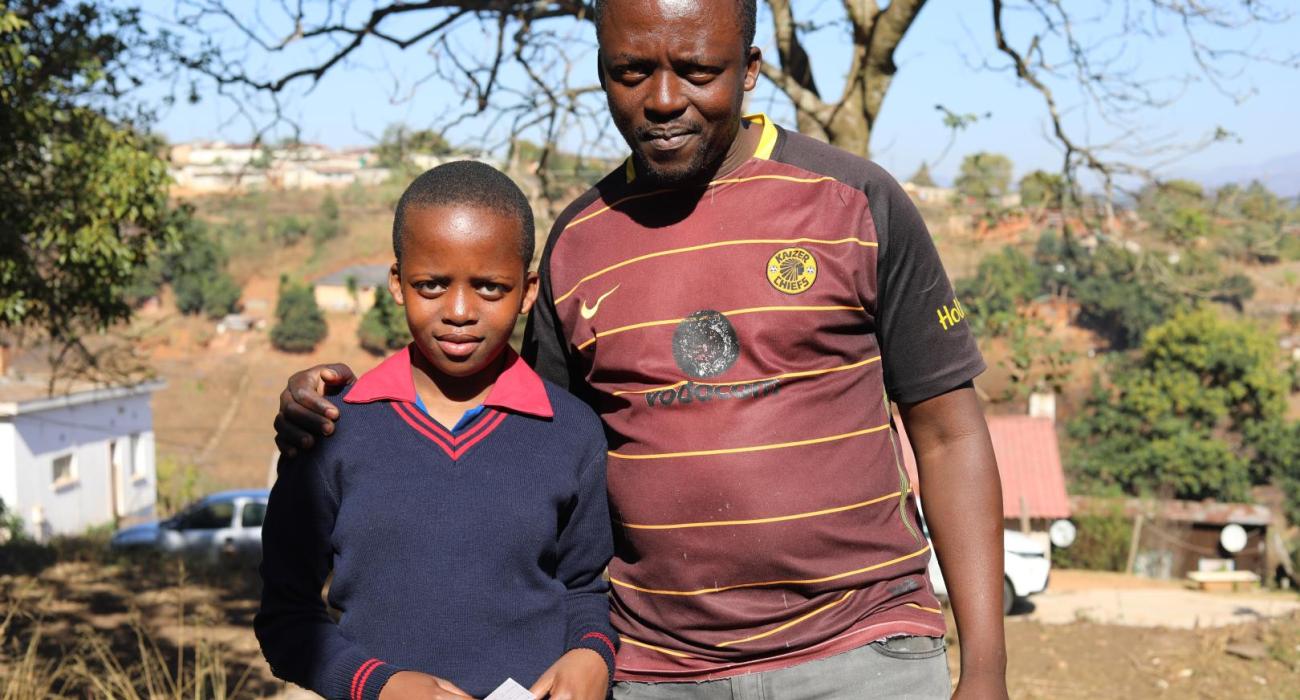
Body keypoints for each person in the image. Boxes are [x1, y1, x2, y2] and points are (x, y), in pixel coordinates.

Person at [274, 0, 1009, 697]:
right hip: (655, 672)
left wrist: (986, 667)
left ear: (749, 68)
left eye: (697, 71)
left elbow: (947, 435)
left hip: (860, 655)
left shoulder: (855, 203)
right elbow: (519, 435)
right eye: (630, 72)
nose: (662, 99)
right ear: (602, 69)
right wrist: (332, 404)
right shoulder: (576, 244)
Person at [255, 161, 618, 700]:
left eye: (491, 288)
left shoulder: (568, 433)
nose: (459, 311)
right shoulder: (332, 431)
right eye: (432, 285)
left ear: (527, 290)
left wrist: (591, 655)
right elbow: (285, 617)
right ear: (398, 284)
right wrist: (381, 686)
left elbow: (587, 589)